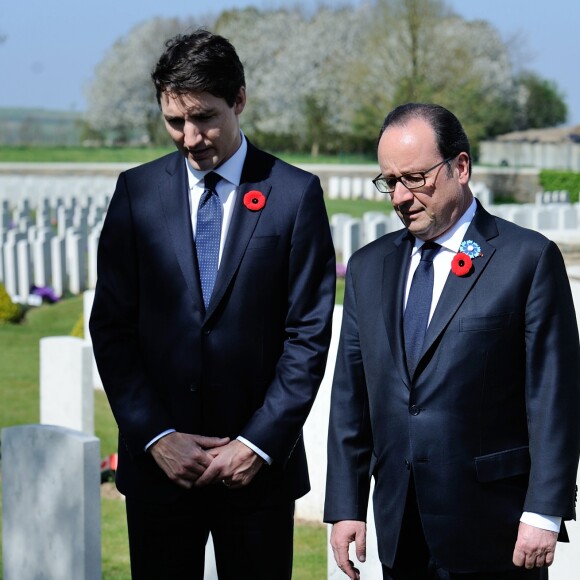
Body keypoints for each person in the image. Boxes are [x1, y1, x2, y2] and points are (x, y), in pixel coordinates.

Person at [89, 29, 335, 580]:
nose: (190, 137)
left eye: (204, 117)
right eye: (174, 121)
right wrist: (155, 436)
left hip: (257, 473)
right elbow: (112, 327)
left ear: (239, 100)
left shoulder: (294, 196)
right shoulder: (136, 192)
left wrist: (257, 443)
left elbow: (308, 335)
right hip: (160, 470)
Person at [324, 102, 580, 579]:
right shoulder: (367, 267)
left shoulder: (527, 260)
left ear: (460, 167)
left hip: (496, 529)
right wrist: (345, 505)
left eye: (416, 178)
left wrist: (544, 511)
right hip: (401, 523)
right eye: (389, 181)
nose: (400, 196)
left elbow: (554, 398)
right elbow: (351, 398)